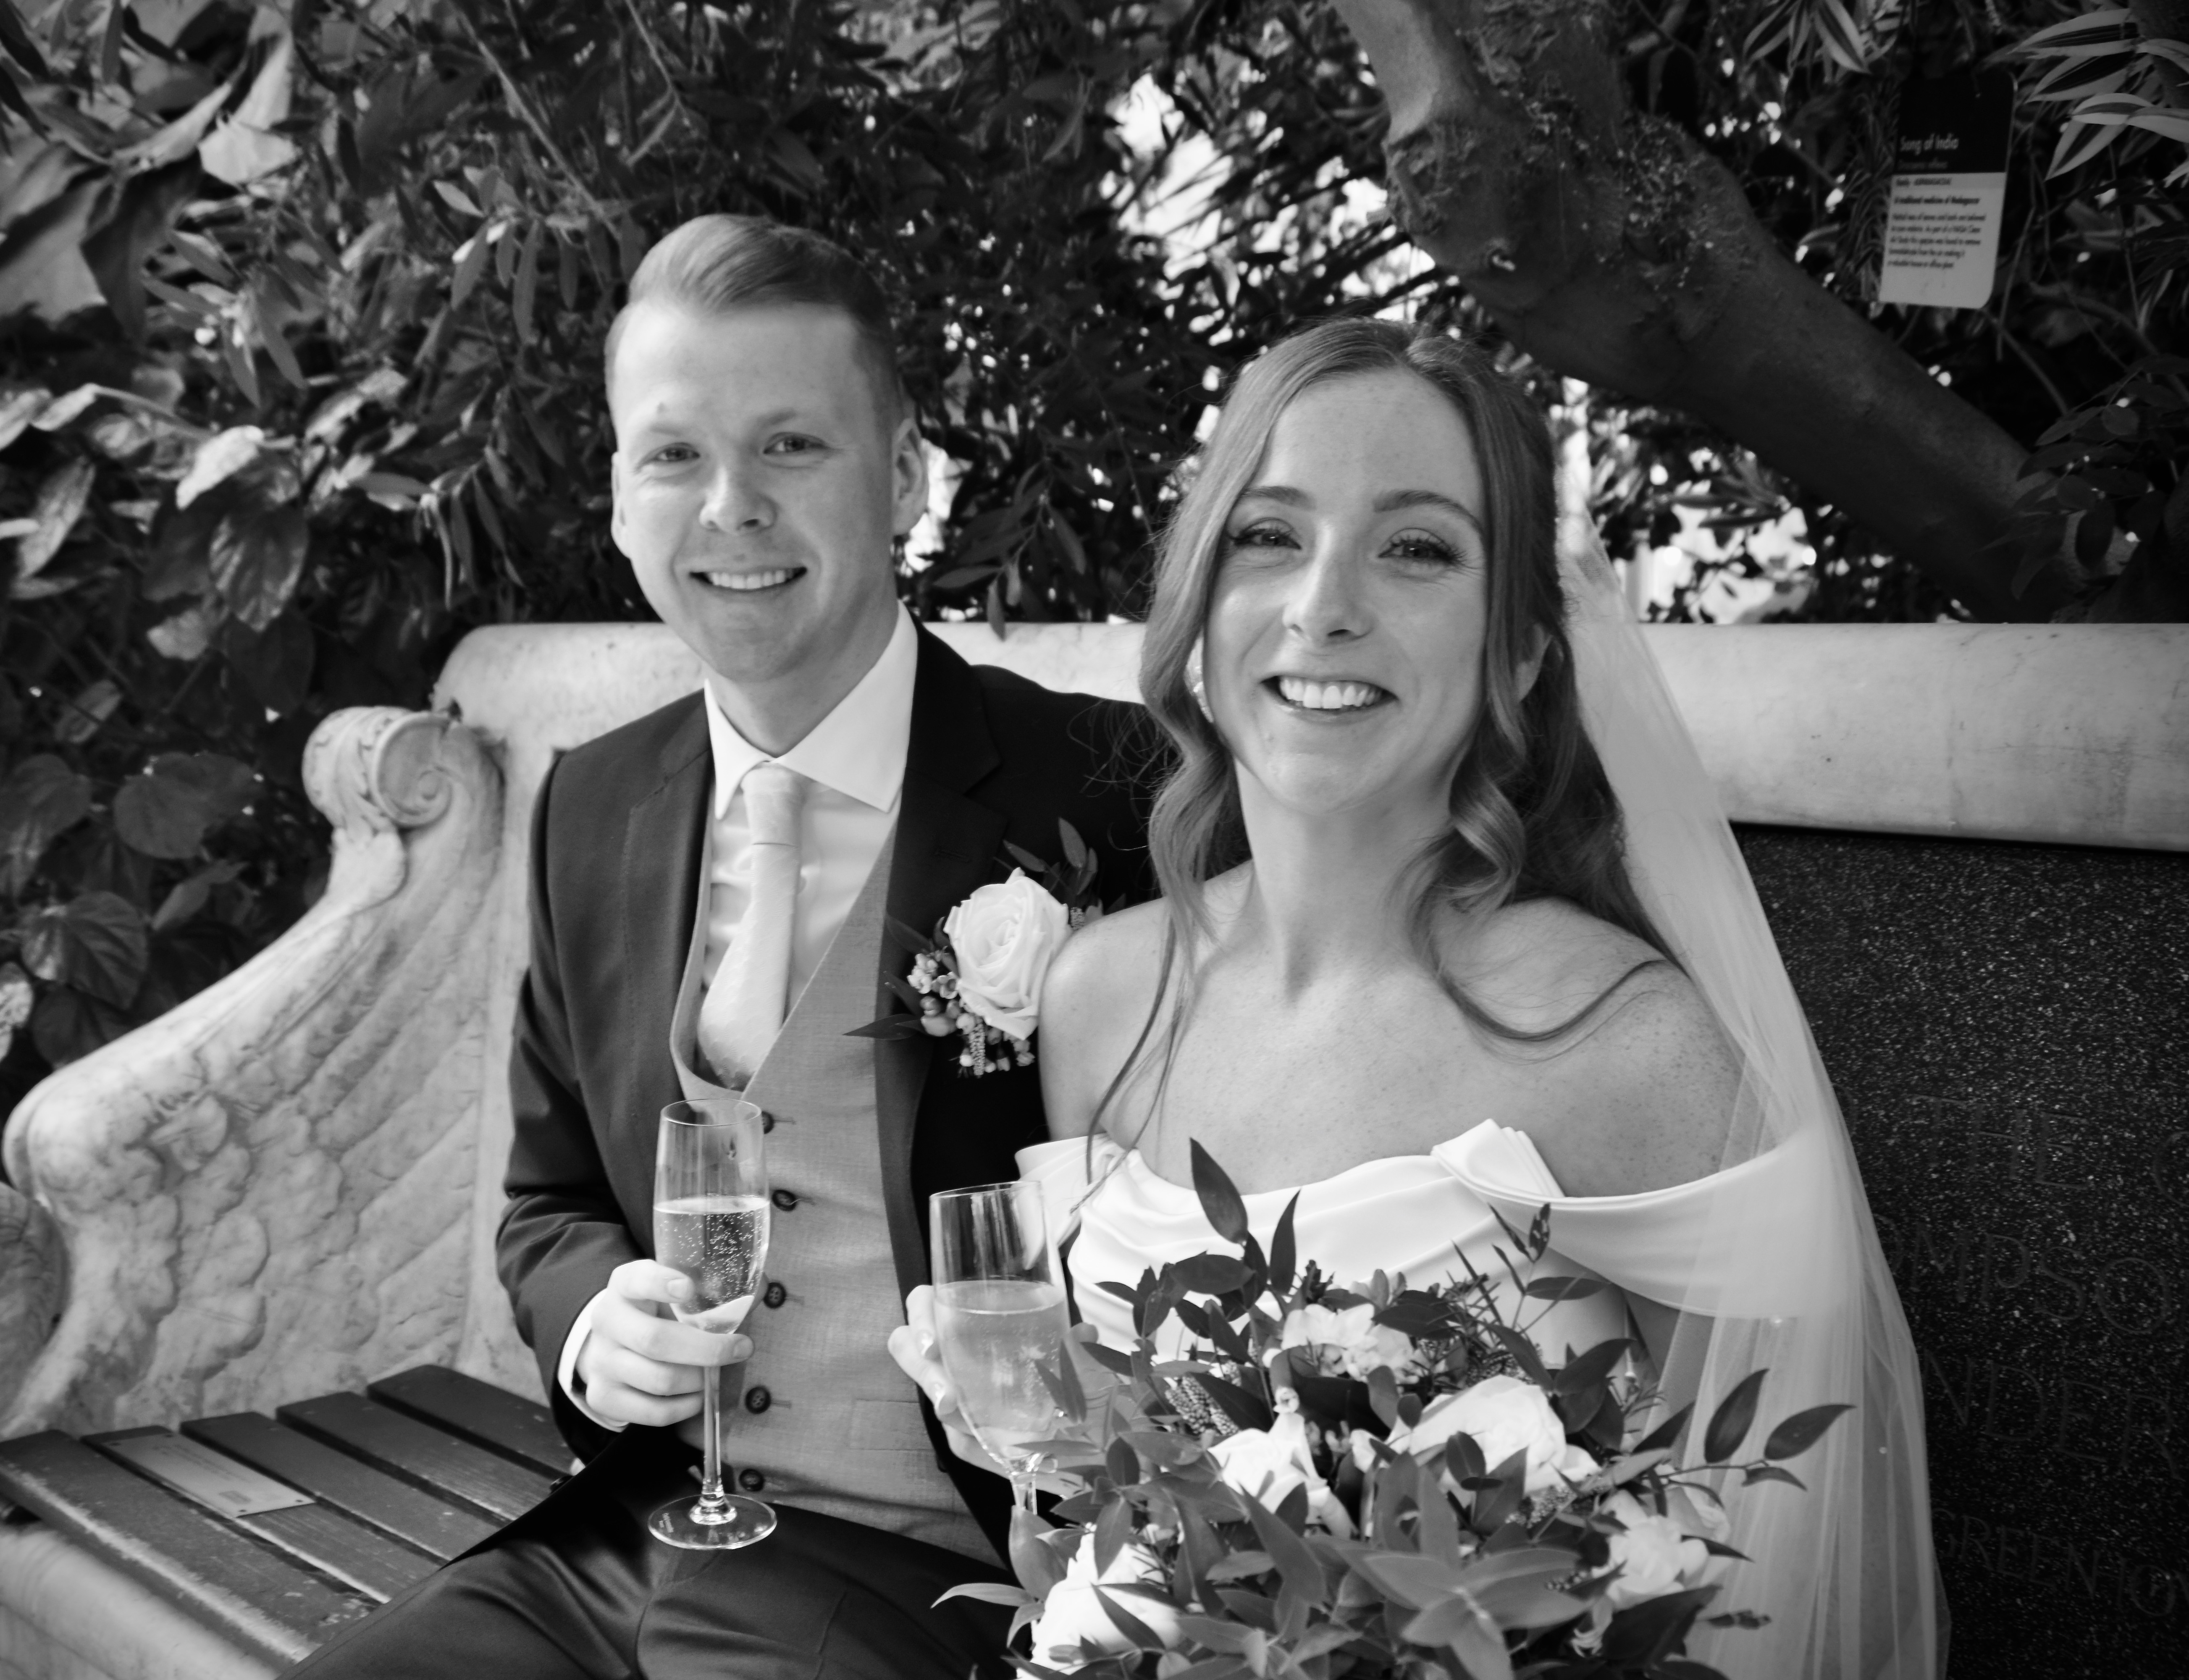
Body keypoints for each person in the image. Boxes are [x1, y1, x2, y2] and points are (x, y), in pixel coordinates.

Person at [892, 317, 1943, 1678]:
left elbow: (1789, 1564)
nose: (1325, 605)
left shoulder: (1627, 1044)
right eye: (1269, 535)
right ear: (1197, 609)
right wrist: (1053, 1430)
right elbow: (1139, 1506)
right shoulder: (1101, 995)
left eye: (1418, 548)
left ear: (1522, 652)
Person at [281, 213, 1149, 1680]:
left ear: (905, 478)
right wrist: (590, 1330)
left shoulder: (1112, 791)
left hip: (942, 1575)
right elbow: (551, 1199)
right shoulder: (594, 802)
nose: (731, 507)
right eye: (674, 455)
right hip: (620, 1536)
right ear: (623, 498)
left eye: (791, 446)